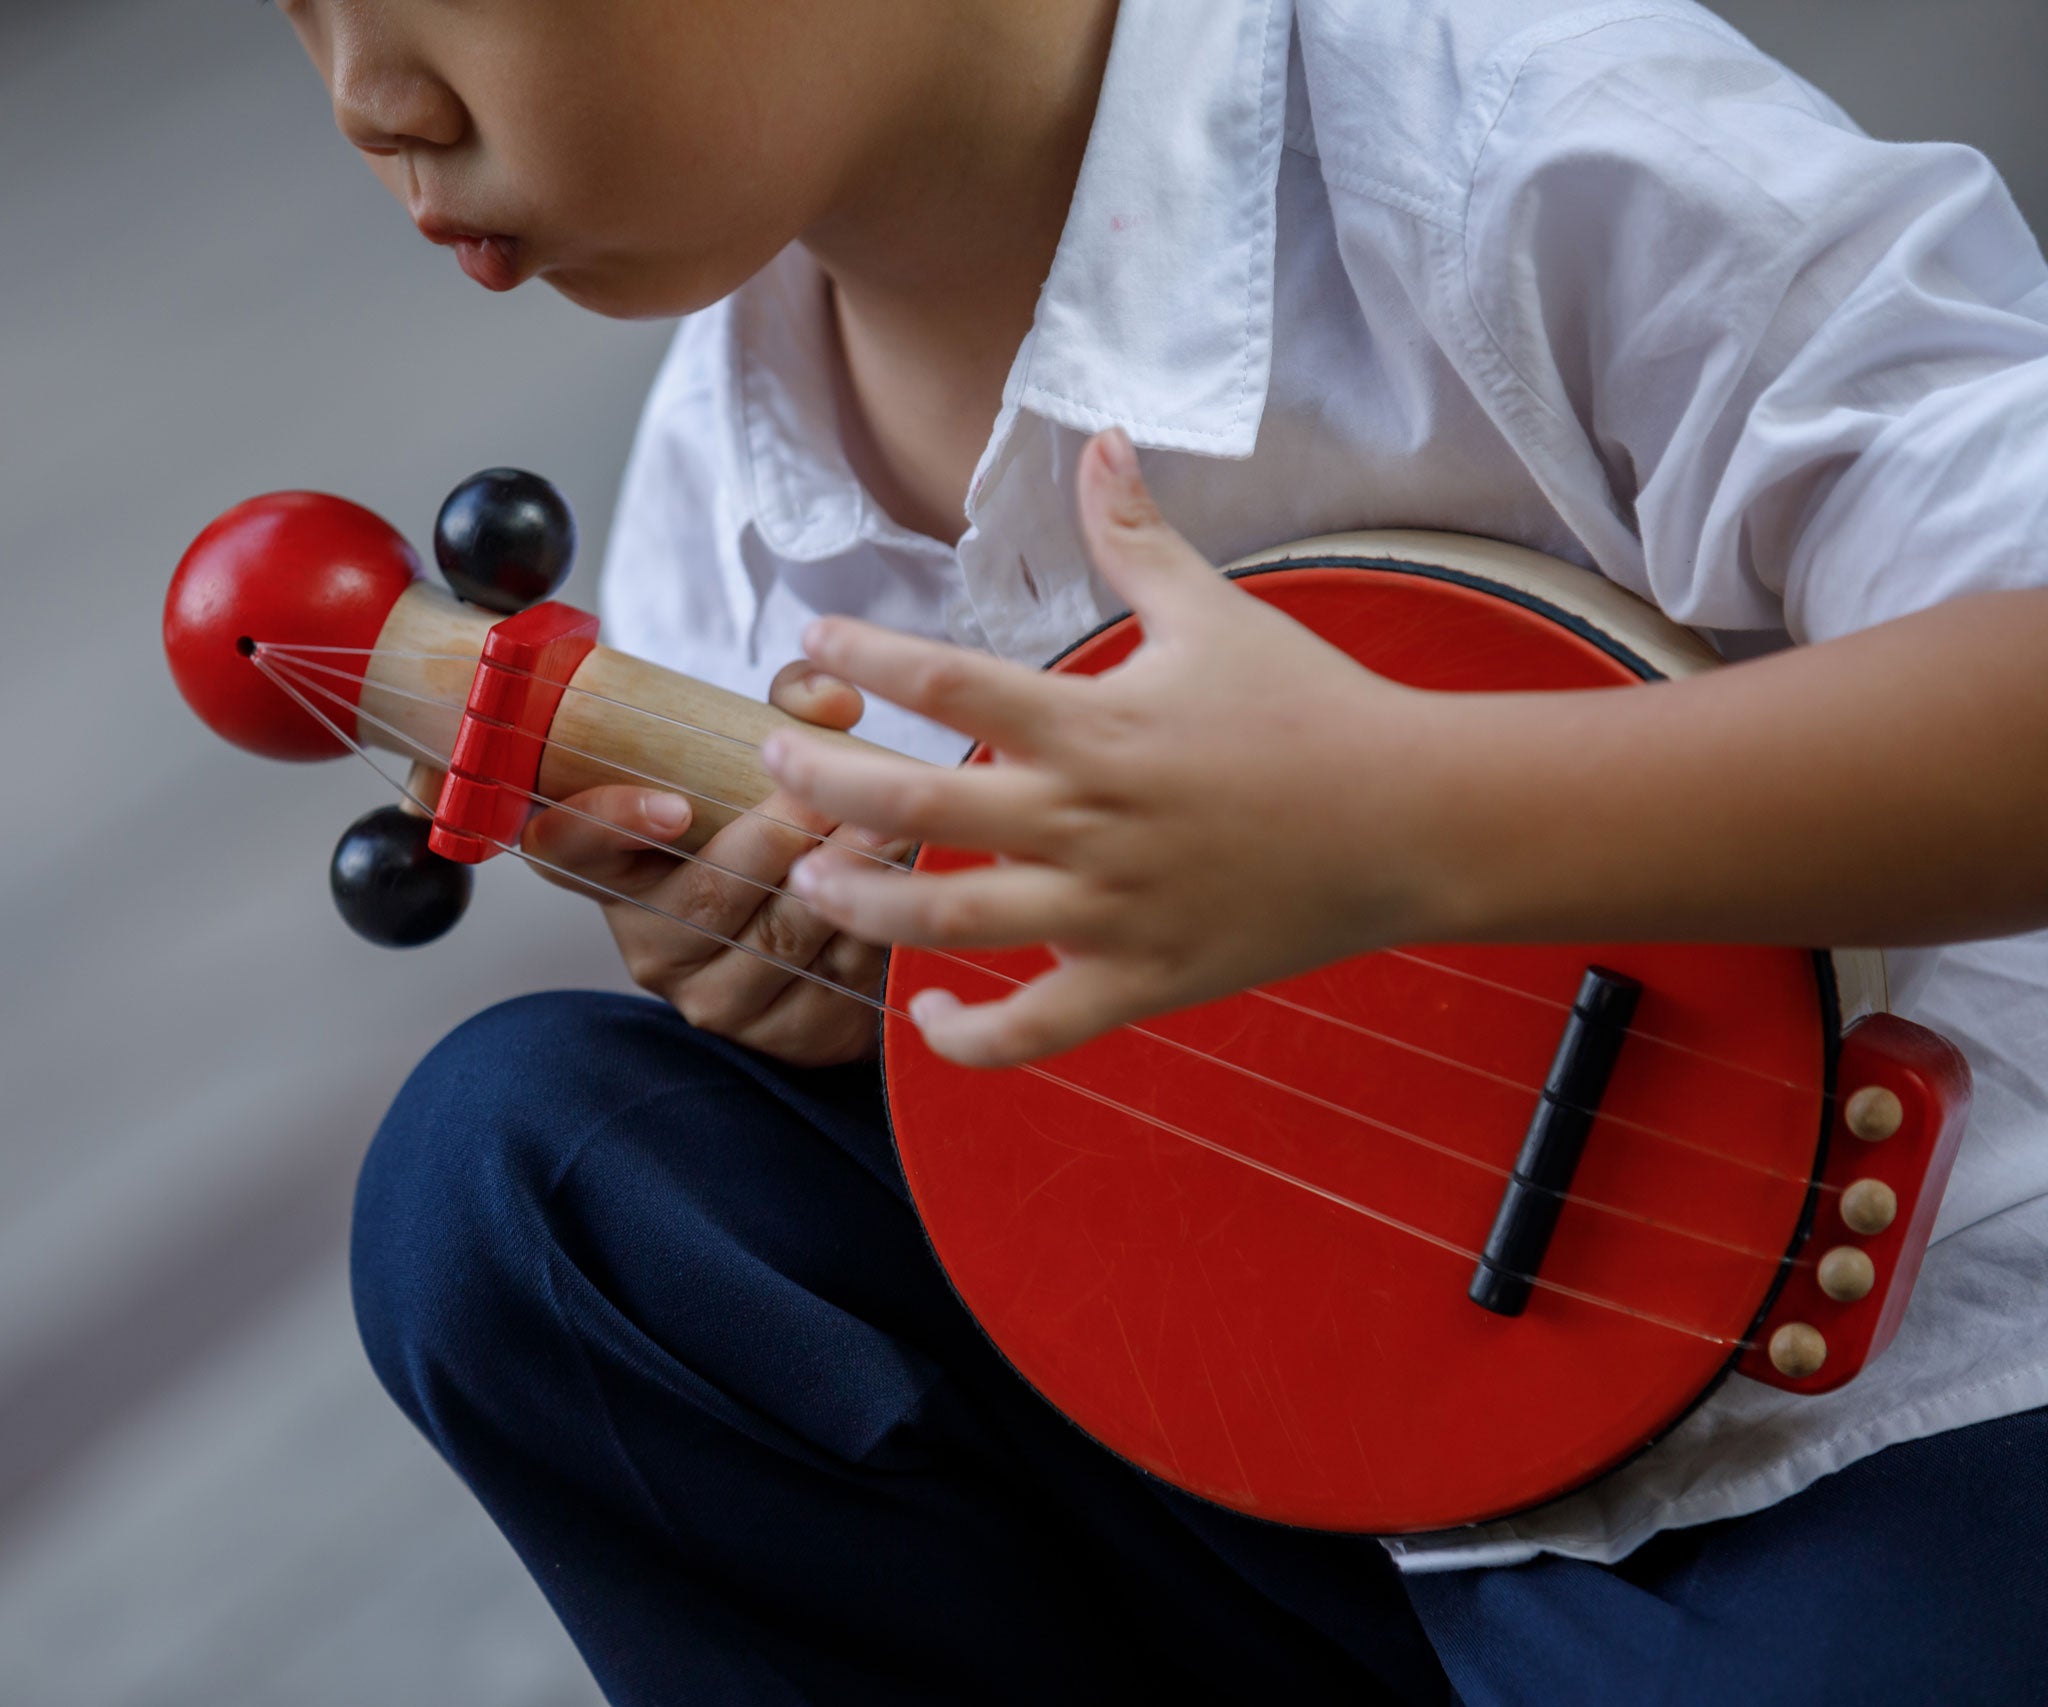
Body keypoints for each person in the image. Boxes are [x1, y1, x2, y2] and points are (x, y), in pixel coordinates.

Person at [276, 0, 2048, 1699]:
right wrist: (833, 1012)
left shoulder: (1517, 150)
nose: (369, 97)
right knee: (523, 1170)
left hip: (1887, 1433)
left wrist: (1416, 820)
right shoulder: (726, 500)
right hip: (1317, 1485)